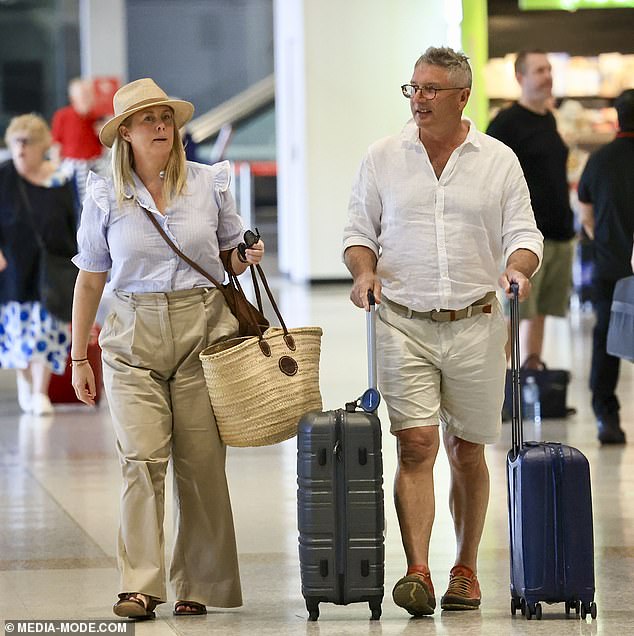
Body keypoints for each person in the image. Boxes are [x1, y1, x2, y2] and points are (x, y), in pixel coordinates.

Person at [343, 46, 542, 616]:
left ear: (462, 96)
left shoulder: (498, 159)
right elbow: (359, 229)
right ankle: (418, 571)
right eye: (413, 88)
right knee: (416, 443)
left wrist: (517, 267)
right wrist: (365, 272)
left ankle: (465, 568)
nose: (419, 99)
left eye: (431, 89)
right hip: (402, 321)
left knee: (467, 450)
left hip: (476, 322)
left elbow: (525, 233)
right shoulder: (383, 157)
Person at [70, 78, 264, 619]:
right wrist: (78, 357)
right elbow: (89, 279)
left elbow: (228, 252)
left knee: (201, 465)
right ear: (125, 134)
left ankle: (199, 583)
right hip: (131, 334)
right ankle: (141, 584)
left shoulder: (209, 183)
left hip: (204, 329)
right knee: (141, 459)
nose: (161, 127)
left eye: (166, 118)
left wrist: (245, 255)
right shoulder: (105, 193)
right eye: (148, 120)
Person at [487, 50, 575, 367]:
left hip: (559, 232)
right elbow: (487, 177)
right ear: (520, 78)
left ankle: (533, 368)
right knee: (517, 312)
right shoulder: (506, 124)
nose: (547, 76)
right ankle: (500, 381)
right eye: (539, 70)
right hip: (525, 236)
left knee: (542, 312)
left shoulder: (549, 118)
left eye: (549, 69)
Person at [0, 114, 77, 415]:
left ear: (41, 145)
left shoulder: (60, 180)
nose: (21, 150)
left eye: (27, 143)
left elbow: (73, 223)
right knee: (18, 331)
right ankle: (25, 381)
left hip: (52, 267)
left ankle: (40, 391)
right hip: (14, 269)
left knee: (48, 329)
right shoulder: (4, 176)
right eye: (16, 143)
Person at [577, 89, 634, 445]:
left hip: (611, 269)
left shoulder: (599, 161)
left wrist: (608, 241)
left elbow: (586, 213)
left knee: (607, 341)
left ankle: (606, 417)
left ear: (617, 117)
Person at [51, 78, 104, 204]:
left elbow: (106, 146)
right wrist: (55, 170)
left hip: (95, 166)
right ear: (73, 97)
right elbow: (55, 146)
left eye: (89, 94)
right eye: (83, 94)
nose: (87, 98)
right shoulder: (62, 116)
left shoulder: (98, 117)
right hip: (72, 168)